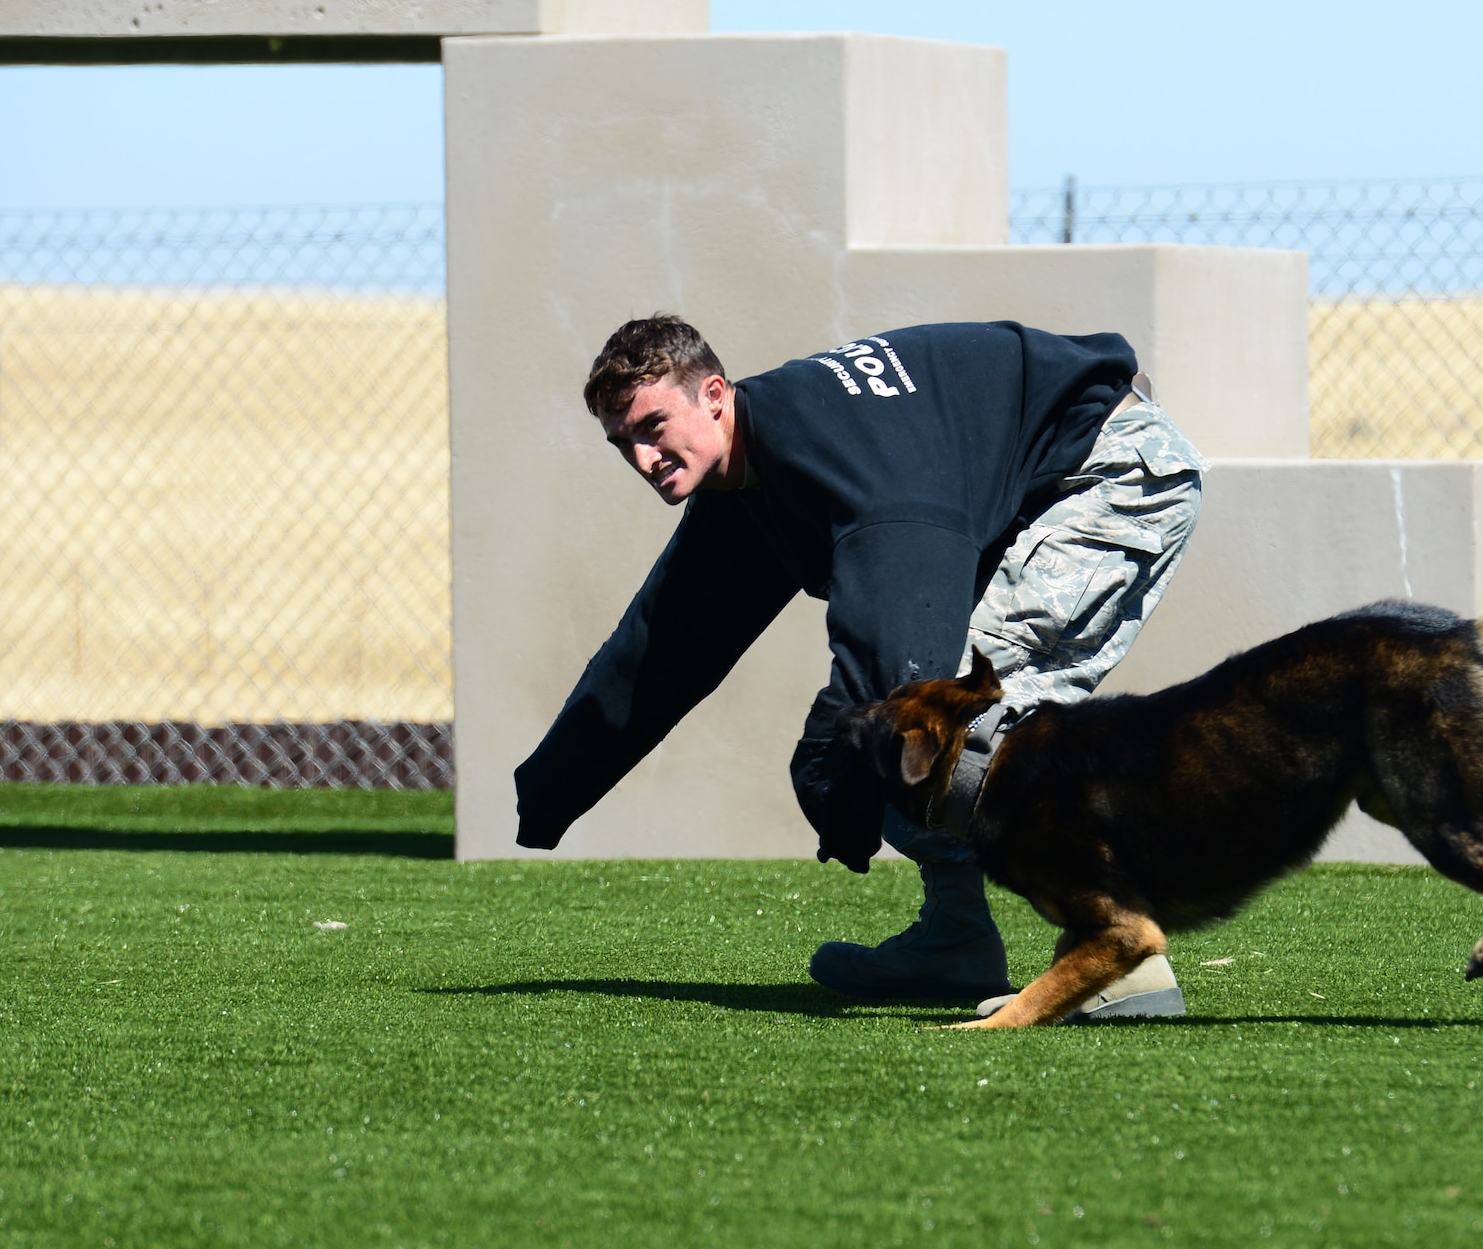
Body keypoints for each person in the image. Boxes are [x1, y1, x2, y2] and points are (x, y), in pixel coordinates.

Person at [512, 314, 1204, 1013]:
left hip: (1115, 471)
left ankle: (1121, 952)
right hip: (1037, 482)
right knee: (900, 746)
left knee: (932, 720)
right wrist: (548, 793)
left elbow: (896, 672)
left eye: (652, 426)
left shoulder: (852, 471)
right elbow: (664, 644)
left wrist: (835, 783)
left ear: (714, 394)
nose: (641, 456)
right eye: (621, 440)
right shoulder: (755, 463)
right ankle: (956, 942)